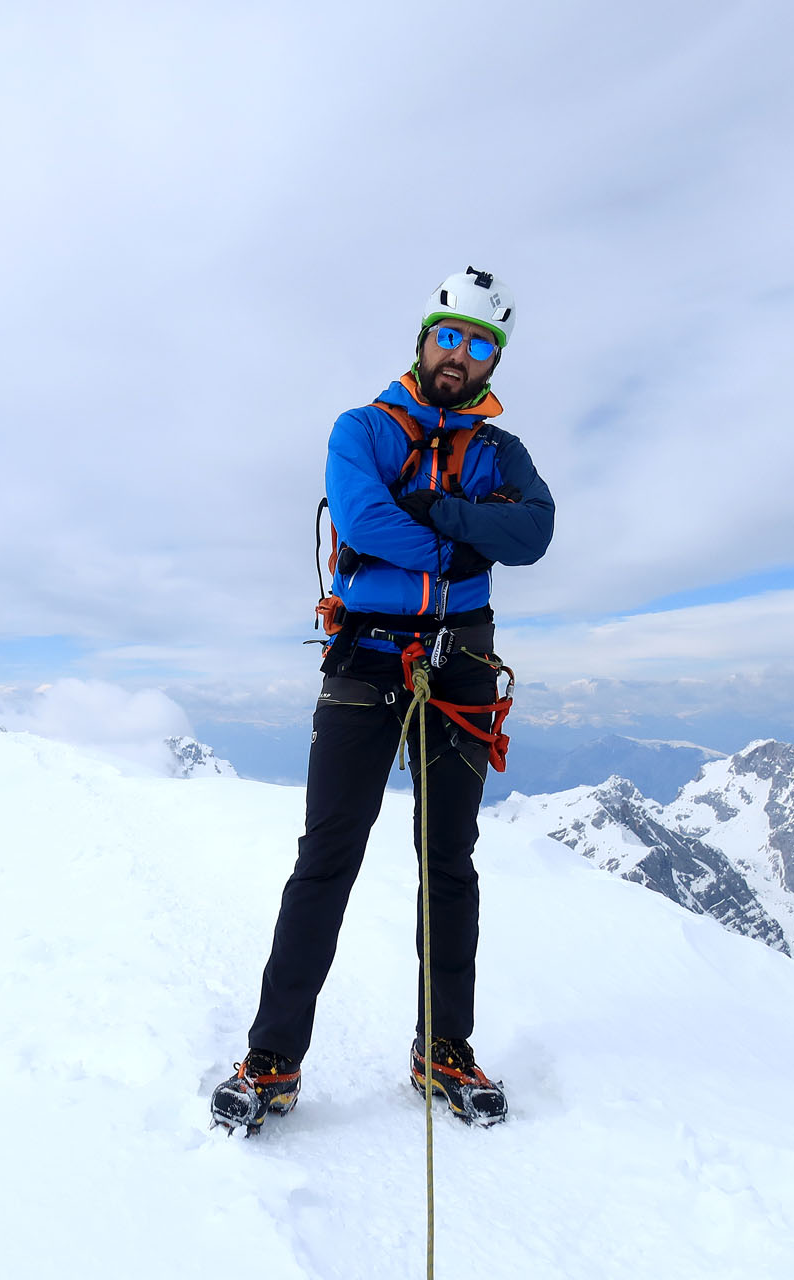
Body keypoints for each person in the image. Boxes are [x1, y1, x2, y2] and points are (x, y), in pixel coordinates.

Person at [211, 267, 555, 1133]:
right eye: (453, 335)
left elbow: (536, 532)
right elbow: (364, 523)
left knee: (450, 862)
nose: (463, 356)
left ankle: (444, 1048)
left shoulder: (500, 449)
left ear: (492, 362)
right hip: (369, 660)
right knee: (327, 859)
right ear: (425, 337)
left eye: (483, 346)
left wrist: (435, 509)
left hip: (461, 667)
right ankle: (271, 1060)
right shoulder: (361, 427)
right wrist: (465, 544)